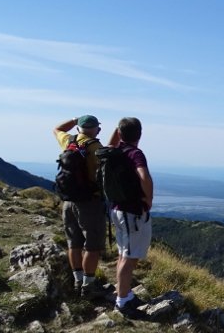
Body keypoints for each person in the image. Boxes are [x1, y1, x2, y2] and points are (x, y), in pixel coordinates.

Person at [52, 115, 107, 298]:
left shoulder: (69, 141)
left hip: (68, 201)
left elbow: (57, 129)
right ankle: (88, 286)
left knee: (73, 242)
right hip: (89, 202)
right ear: (96, 129)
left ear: (79, 128)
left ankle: (77, 280)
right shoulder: (96, 148)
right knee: (92, 246)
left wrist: (75, 120)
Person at [107, 117, 153, 317]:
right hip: (131, 212)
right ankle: (122, 302)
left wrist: (118, 130)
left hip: (117, 210)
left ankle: (123, 293)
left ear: (119, 132)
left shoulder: (113, 152)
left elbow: (110, 143)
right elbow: (144, 177)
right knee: (128, 256)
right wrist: (148, 201)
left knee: (124, 253)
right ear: (140, 134)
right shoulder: (135, 154)